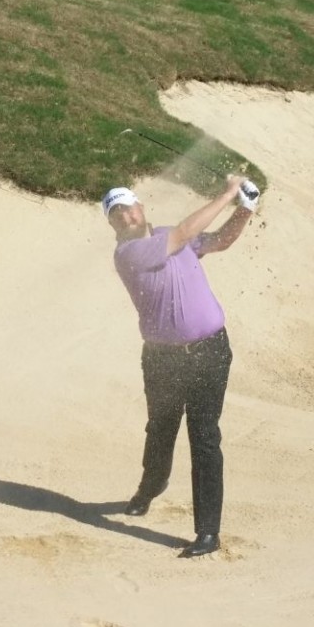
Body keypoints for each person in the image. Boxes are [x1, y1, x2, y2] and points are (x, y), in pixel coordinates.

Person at [102, 174, 260, 558]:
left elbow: (218, 240)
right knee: (160, 426)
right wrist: (227, 191)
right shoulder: (128, 254)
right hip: (163, 357)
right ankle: (150, 487)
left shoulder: (172, 235)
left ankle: (208, 532)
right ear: (112, 224)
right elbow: (188, 230)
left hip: (210, 351)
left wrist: (246, 206)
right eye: (116, 213)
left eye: (128, 207)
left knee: (204, 437)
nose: (125, 217)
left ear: (141, 208)